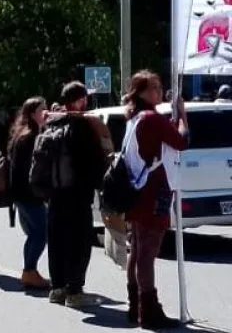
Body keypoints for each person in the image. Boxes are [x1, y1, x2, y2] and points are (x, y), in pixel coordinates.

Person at [121, 71, 189, 328]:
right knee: (147, 251)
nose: (158, 92)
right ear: (139, 92)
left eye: (159, 87)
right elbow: (182, 140)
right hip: (154, 190)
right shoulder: (150, 117)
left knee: (137, 250)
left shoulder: (134, 118)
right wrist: (182, 115)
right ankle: (148, 310)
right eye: (153, 88)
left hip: (137, 189)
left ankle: (135, 305)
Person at [42, 82, 107, 308]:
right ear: (80, 100)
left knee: (57, 242)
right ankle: (75, 292)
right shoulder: (83, 126)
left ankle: (57, 288)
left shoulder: (51, 124)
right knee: (79, 244)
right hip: (78, 194)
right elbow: (95, 162)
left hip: (55, 194)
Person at [7, 96, 51, 290]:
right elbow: (31, 169)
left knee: (34, 233)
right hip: (28, 193)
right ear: (33, 114)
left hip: (20, 193)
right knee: (41, 233)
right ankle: (29, 270)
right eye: (42, 109)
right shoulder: (31, 136)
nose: (46, 112)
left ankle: (29, 271)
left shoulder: (23, 134)